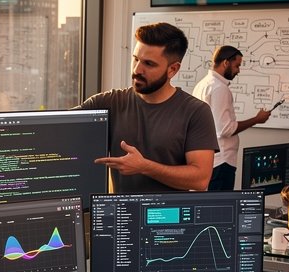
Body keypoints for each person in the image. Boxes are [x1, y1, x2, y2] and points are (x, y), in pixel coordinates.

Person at [80, 22, 218, 192]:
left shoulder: (196, 112)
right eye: (135, 59)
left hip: (170, 217)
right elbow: (56, 126)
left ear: (172, 69)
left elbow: (200, 180)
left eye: (149, 64)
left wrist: (145, 167)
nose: (137, 69)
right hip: (122, 216)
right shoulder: (108, 102)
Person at [191, 45, 272, 191]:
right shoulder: (219, 88)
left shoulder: (202, 84)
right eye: (237, 66)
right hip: (222, 162)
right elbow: (225, 129)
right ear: (225, 63)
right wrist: (256, 119)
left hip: (210, 160)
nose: (238, 71)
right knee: (221, 209)